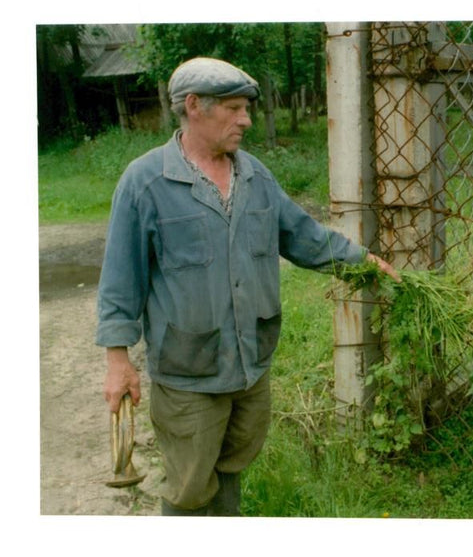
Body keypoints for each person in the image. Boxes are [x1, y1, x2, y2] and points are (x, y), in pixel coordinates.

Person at [96, 57, 399, 516]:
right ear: (194, 106)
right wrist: (118, 361)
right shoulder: (146, 182)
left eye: (247, 109)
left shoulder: (255, 176)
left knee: (231, 469)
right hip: (190, 375)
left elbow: (304, 237)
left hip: (250, 365)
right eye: (234, 109)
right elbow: (121, 277)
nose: (246, 120)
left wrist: (363, 261)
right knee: (188, 487)